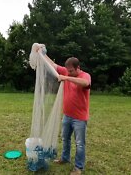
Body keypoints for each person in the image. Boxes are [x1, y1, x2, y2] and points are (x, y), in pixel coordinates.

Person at [36, 44, 91, 175]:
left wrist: (66, 78)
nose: (68, 72)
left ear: (78, 67)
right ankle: (65, 158)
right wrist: (42, 54)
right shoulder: (66, 70)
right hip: (67, 115)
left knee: (80, 144)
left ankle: (78, 168)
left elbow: (86, 84)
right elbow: (53, 65)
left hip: (80, 118)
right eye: (67, 71)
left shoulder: (85, 76)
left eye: (71, 71)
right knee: (65, 139)